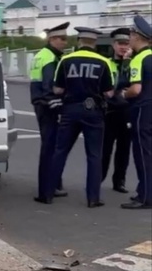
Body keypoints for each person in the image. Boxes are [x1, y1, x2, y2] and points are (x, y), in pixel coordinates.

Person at [46, 27, 115, 208]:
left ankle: (48, 193)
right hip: (94, 112)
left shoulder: (66, 60)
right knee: (94, 155)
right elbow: (108, 92)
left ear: (79, 41)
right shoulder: (104, 62)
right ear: (94, 42)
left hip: (70, 110)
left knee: (60, 151)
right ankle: (93, 198)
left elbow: (57, 89)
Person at [29, 22, 70, 204]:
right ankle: (47, 190)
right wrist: (58, 108)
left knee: (49, 147)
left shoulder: (42, 54)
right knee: (50, 148)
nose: (65, 42)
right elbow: (48, 88)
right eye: (62, 39)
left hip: (40, 104)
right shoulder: (50, 59)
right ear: (53, 39)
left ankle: (51, 186)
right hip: (47, 106)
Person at [120, 16, 152, 210]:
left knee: (142, 154)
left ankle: (145, 197)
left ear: (138, 37)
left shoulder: (138, 60)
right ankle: (144, 191)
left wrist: (124, 93)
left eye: (131, 35)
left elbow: (135, 89)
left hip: (141, 110)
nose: (129, 39)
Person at [101, 28, 132, 194]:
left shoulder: (134, 63)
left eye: (127, 44)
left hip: (127, 111)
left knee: (124, 149)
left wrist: (127, 63)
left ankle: (119, 181)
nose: (123, 47)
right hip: (109, 111)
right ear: (113, 45)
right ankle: (98, 178)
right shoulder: (106, 63)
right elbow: (111, 87)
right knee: (104, 149)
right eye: (120, 43)